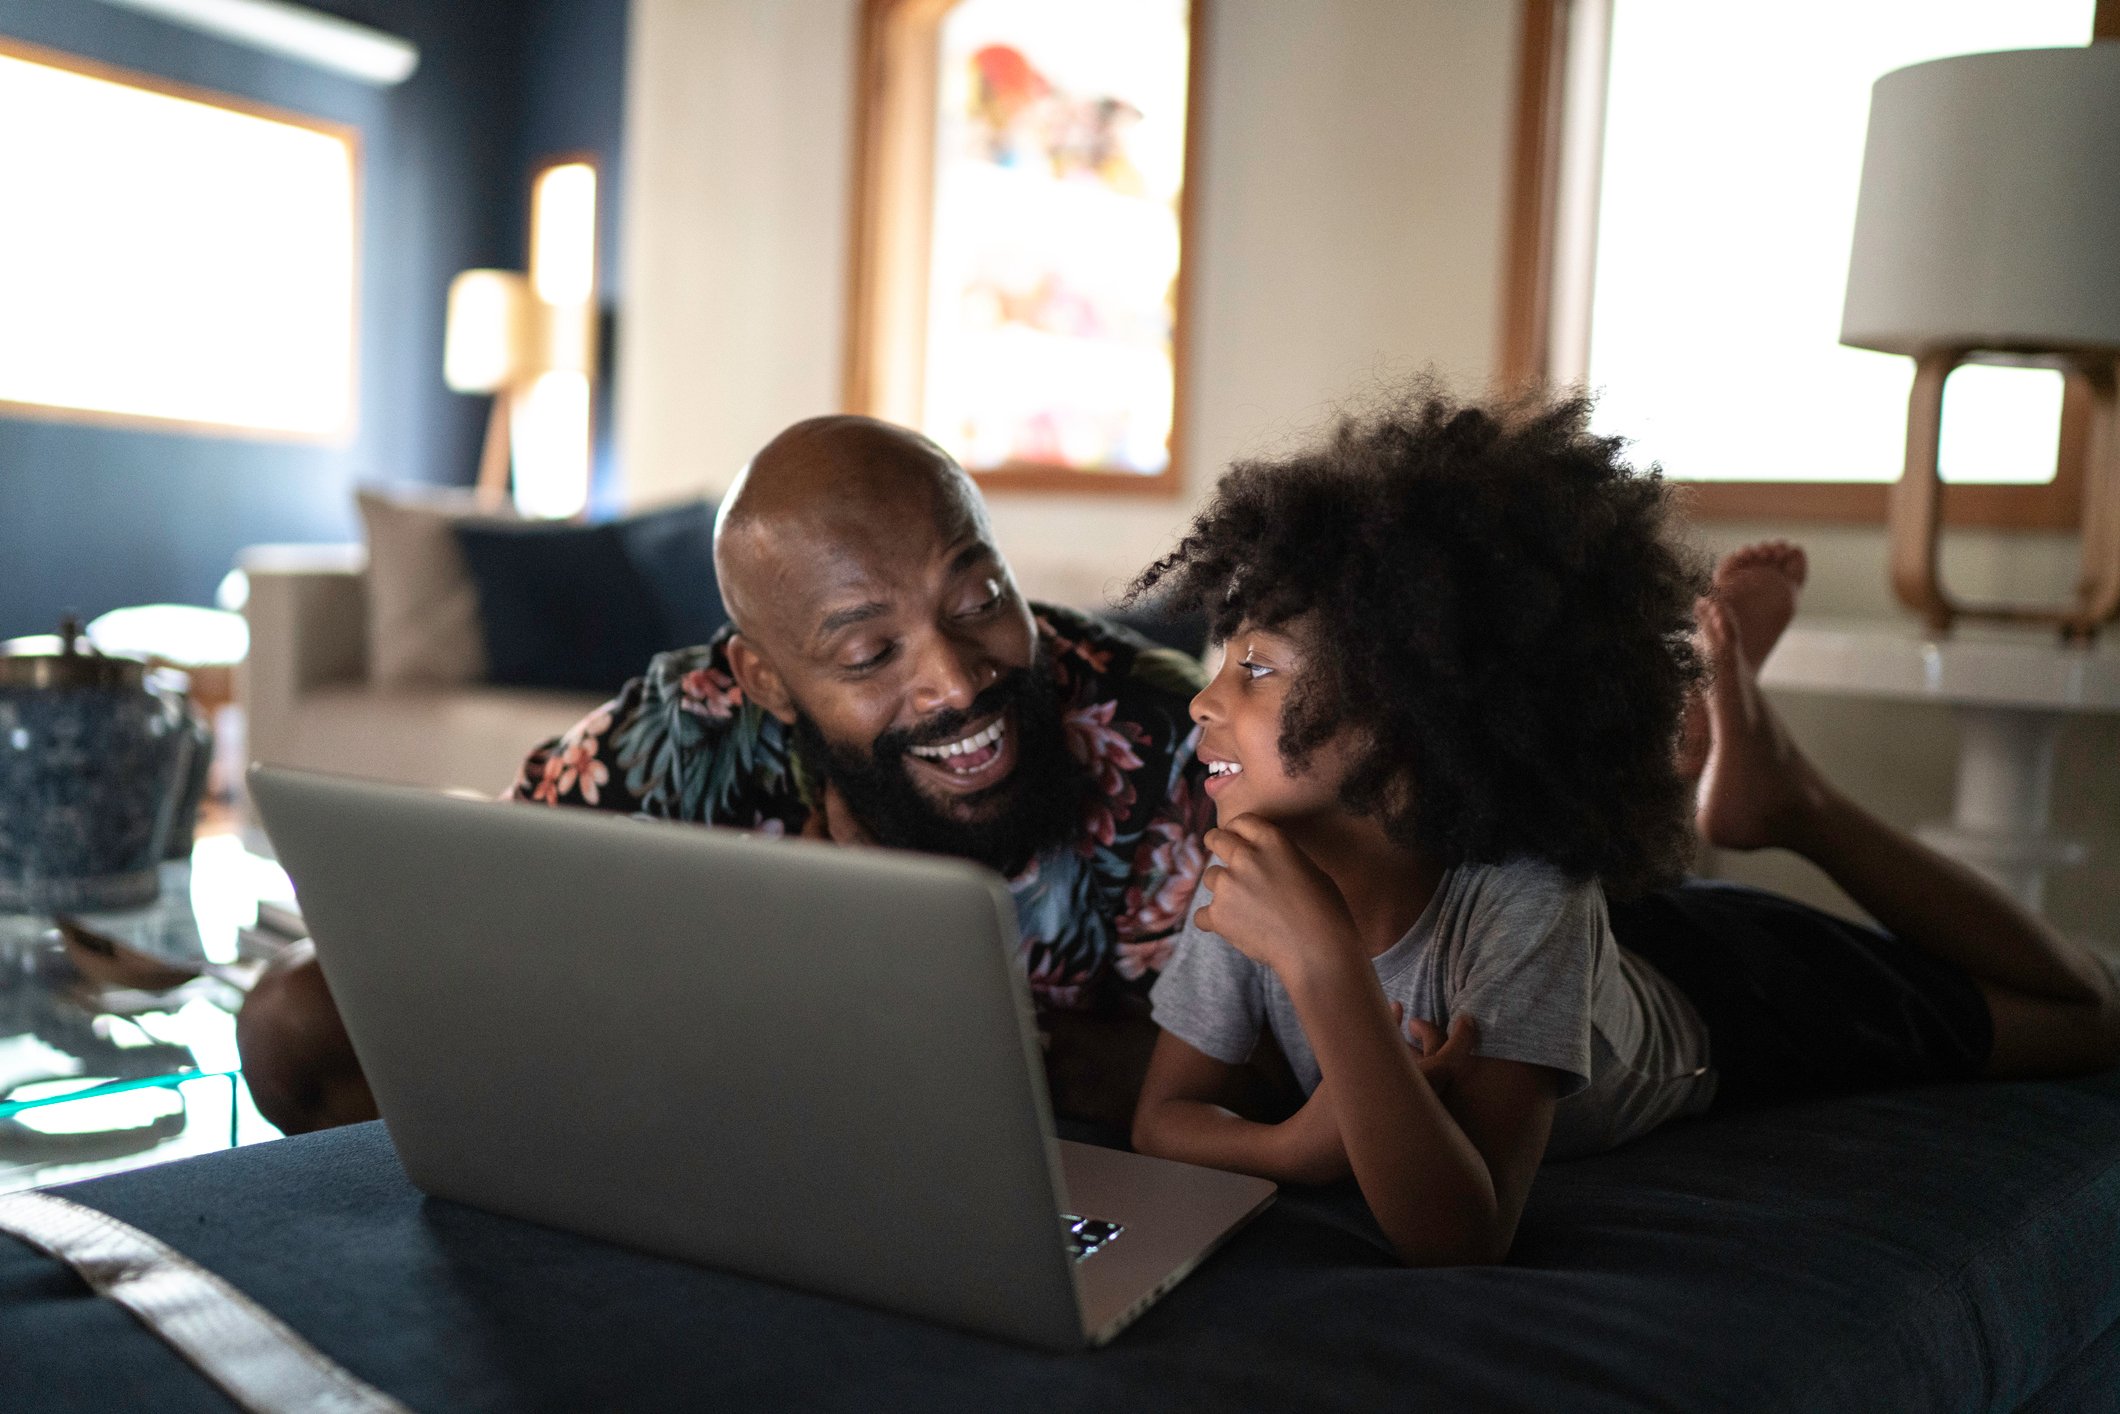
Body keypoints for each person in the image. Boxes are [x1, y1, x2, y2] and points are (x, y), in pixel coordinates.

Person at [1127, 386, 2120, 1268]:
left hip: (1728, 995)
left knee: (2086, 1014)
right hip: (1591, 956)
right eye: (1221, 665)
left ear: (1407, 708)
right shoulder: (1251, 880)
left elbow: (1461, 1230)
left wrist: (1324, 971)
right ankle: (1705, 751)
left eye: (1253, 670)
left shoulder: (1522, 899)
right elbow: (1160, 1118)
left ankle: (1788, 800)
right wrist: (1293, 1143)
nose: (1203, 704)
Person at [241, 415, 1219, 1134]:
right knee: (298, 1027)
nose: (956, 679)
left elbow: (1279, 1075)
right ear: (766, 679)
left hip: (1052, 1178)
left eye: (977, 598)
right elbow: (475, 914)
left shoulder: (1167, 732)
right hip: (729, 1140)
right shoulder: (690, 726)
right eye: (871, 653)